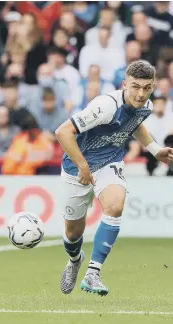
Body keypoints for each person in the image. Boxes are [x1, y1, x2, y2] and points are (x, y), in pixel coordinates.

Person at [55, 60, 173, 296]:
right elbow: (63, 132)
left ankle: (93, 273)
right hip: (77, 167)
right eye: (136, 86)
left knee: (115, 206)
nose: (141, 94)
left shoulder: (146, 104)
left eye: (147, 87)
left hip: (110, 161)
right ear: (124, 84)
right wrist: (83, 166)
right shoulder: (105, 106)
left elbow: (135, 124)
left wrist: (154, 149)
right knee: (72, 234)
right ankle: (75, 260)